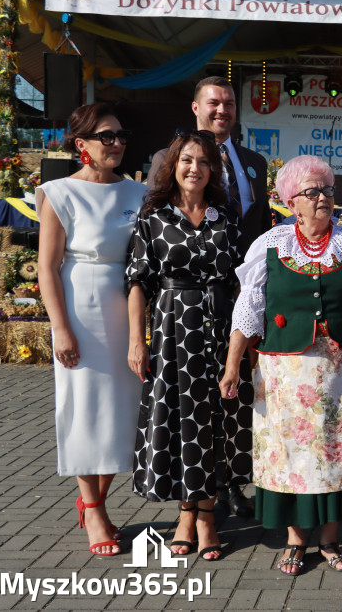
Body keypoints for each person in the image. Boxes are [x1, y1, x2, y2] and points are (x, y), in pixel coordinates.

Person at [219, 155, 342, 575]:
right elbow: (247, 311)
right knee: (293, 455)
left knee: (337, 454)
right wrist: (231, 366)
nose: (323, 198)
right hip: (287, 375)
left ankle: (331, 540)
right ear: (290, 201)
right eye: (312, 191)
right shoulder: (269, 246)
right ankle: (296, 541)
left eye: (329, 190)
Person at [151, 75, 271, 517]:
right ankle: (198, 493)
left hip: (243, 298)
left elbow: (260, 229)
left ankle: (232, 483)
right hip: (188, 305)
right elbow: (157, 224)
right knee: (194, 398)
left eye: (229, 104)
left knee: (232, 395)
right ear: (195, 108)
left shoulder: (254, 161)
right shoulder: (169, 158)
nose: (222, 110)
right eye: (213, 103)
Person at [126, 128, 247, 561]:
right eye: (187, 160)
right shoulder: (153, 216)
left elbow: (243, 284)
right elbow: (138, 282)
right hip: (172, 330)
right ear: (172, 166)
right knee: (178, 418)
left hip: (219, 329)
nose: (194, 168)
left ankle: (207, 517)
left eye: (203, 161)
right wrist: (136, 342)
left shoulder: (227, 216)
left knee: (215, 419)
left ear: (213, 169)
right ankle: (184, 515)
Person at [36, 103, 147, 556]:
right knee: (84, 407)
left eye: (121, 135)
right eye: (107, 136)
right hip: (81, 305)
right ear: (81, 145)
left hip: (129, 308)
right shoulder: (59, 193)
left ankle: (95, 499)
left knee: (120, 414)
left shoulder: (139, 192)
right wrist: (60, 329)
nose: (117, 143)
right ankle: (92, 507)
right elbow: (46, 267)